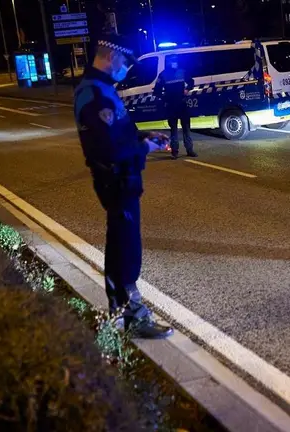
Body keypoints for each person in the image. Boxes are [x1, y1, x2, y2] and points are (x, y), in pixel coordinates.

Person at [73, 34, 174, 339]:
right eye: (125, 63)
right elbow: (109, 149)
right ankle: (134, 318)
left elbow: (118, 133)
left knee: (120, 246)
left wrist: (143, 136)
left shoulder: (101, 89)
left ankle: (119, 313)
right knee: (127, 251)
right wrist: (145, 148)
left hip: (122, 179)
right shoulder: (94, 93)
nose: (126, 69)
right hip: (116, 179)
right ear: (111, 57)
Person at [153, 55, 198, 159]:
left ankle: (189, 150)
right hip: (171, 105)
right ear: (168, 62)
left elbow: (191, 81)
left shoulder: (182, 71)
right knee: (174, 129)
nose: (174, 62)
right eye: (172, 60)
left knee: (186, 128)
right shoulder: (163, 75)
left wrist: (187, 89)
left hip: (182, 104)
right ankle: (175, 151)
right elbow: (157, 91)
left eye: (175, 60)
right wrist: (166, 98)